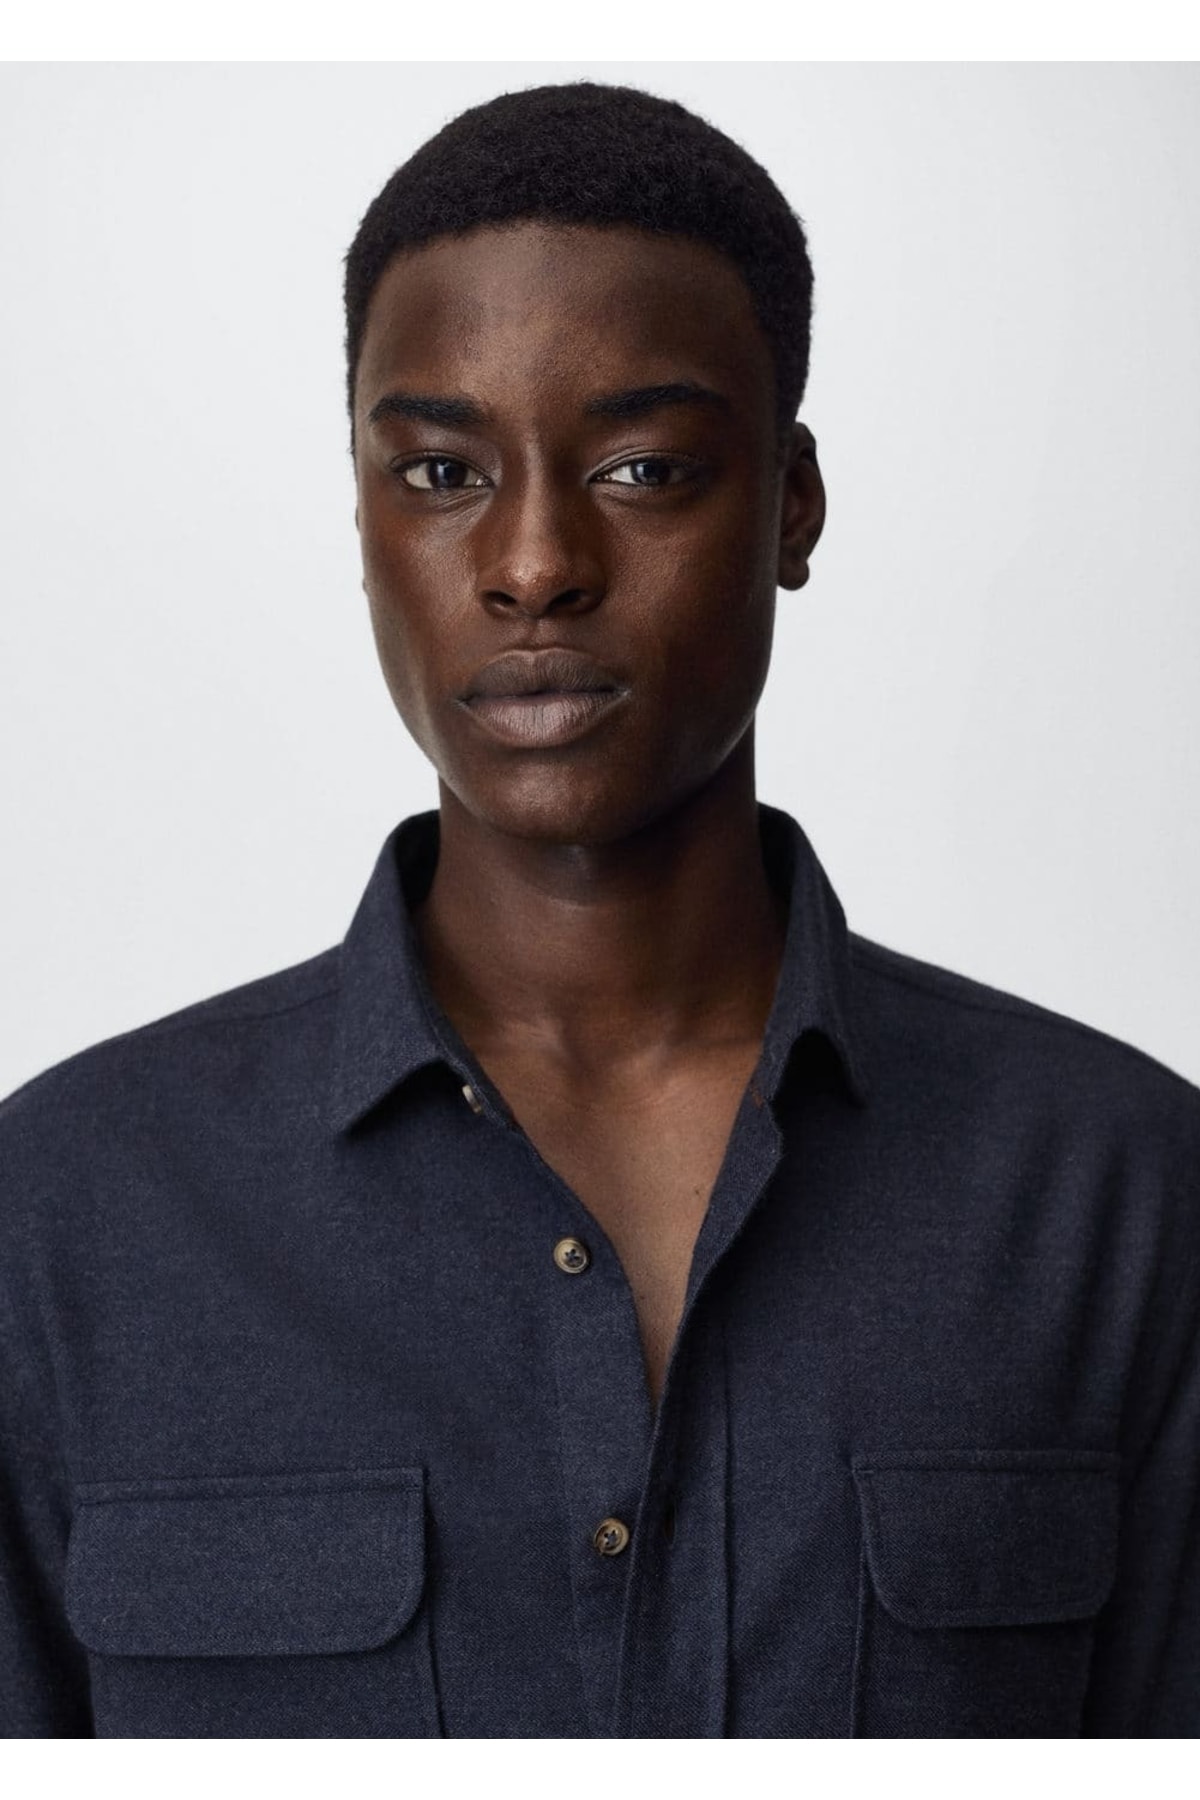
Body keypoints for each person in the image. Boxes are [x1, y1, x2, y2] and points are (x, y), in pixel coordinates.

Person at [1, 80, 1197, 1742]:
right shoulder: (62, 1216)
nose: (535, 563)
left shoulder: (1120, 1194)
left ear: (790, 504)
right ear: (362, 520)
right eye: (441, 470)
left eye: (643, 467)